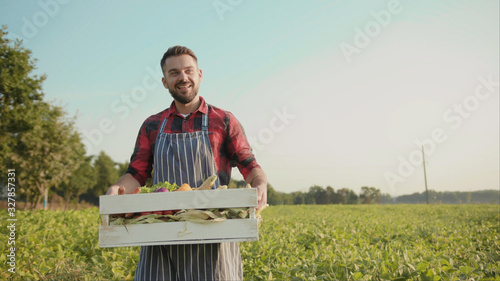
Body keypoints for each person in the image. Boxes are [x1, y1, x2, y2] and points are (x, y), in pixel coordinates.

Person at [106, 45, 267, 281]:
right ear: (164, 81)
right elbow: (136, 173)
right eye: (174, 73)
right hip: (161, 232)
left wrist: (261, 183)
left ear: (199, 74)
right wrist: (117, 189)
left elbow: (249, 166)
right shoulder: (152, 125)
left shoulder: (223, 120)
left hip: (213, 234)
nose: (183, 77)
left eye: (188, 71)